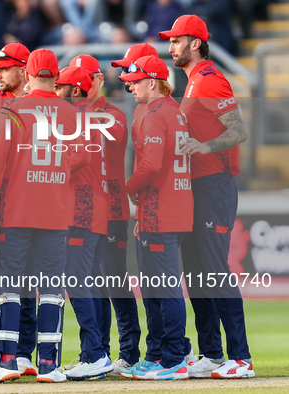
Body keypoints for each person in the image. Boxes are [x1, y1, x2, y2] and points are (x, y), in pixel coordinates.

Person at [160, 14, 254, 378]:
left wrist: (203, 146)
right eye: (169, 41)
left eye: (176, 40)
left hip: (214, 185)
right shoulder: (194, 82)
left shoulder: (211, 80)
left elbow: (239, 130)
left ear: (195, 43)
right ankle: (212, 353)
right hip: (198, 188)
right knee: (197, 273)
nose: (171, 47)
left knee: (214, 271)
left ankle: (241, 358)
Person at [0, 48, 79, 384]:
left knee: (9, 287)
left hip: (17, 212)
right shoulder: (70, 114)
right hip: (55, 213)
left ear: (29, 74)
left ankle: (8, 361)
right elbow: (80, 160)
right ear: (55, 76)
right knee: (51, 289)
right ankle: (50, 365)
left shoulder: (13, 109)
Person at [119, 54, 193, 380]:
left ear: (152, 81)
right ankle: (161, 354)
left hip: (160, 211)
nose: (130, 87)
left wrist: (127, 190)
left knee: (162, 288)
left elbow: (150, 166)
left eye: (135, 81)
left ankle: (173, 357)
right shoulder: (176, 112)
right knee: (158, 287)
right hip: (170, 208)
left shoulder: (153, 115)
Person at [70, 54, 139, 376]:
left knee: (114, 281)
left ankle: (129, 351)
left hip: (112, 207)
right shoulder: (75, 114)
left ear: (97, 79)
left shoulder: (112, 114)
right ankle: (98, 351)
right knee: (91, 282)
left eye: (85, 77)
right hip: (85, 208)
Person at [52, 65, 113, 380]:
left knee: (76, 280)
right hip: (95, 207)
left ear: (75, 90)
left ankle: (95, 354)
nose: (56, 91)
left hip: (82, 208)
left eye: (61, 86)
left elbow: (78, 158)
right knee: (89, 281)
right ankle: (97, 351)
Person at [0, 42, 38, 377]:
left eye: (5, 68)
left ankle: (23, 353)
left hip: (29, 205)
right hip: (2, 204)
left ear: (23, 69)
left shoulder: (38, 104)